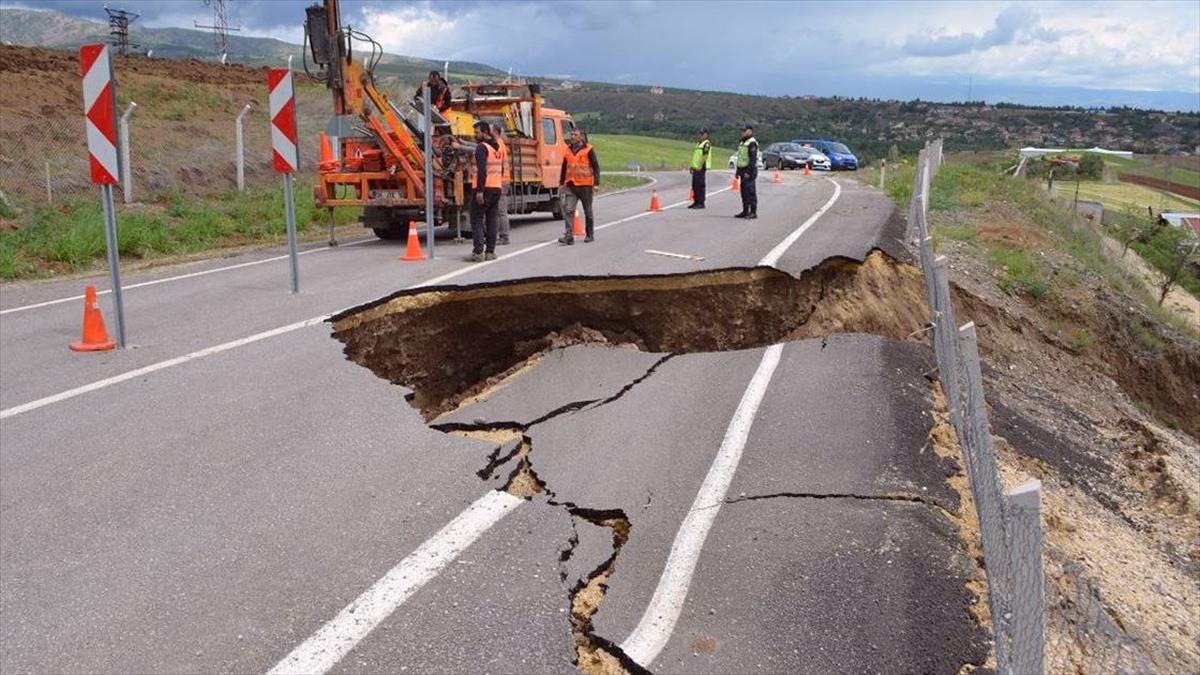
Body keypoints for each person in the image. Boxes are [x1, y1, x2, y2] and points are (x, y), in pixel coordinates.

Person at [558, 127, 600, 245]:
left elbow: (596, 167)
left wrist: (596, 183)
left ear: (581, 136)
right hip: (571, 185)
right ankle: (569, 236)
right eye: (571, 134)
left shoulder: (589, 149)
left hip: (585, 185)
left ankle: (589, 234)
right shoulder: (568, 150)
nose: (572, 137)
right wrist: (561, 183)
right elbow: (564, 167)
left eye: (575, 135)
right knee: (568, 210)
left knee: (588, 211)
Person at [468, 121, 502, 261]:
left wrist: (480, 191)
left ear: (485, 132)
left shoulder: (482, 148)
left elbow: (482, 171)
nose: (475, 135)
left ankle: (478, 251)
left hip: (484, 188)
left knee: (476, 218)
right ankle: (490, 251)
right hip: (496, 188)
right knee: (491, 219)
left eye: (477, 132)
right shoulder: (496, 147)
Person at [491, 123, 512, 245]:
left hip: (501, 180)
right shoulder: (500, 143)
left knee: (501, 211)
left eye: (491, 131)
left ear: (496, 132)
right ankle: (501, 235)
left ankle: (504, 236)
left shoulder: (498, 144)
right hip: (501, 180)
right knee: (499, 210)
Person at [734, 124, 758, 219]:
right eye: (742, 131)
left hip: (749, 170)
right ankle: (745, 211)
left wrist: (748, 172)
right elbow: (741, 158)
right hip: (742, 169)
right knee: (744, 192)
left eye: (744, 131)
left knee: (750, 191)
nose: (742, 132)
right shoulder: (743, 142)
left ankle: (753, 212)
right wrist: (738, 171)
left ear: (750, 131)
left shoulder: (752, 143)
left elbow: (752, 159)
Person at [689, 128, 712, 209]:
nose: (700, 135)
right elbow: (696, 156)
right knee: (695, 185)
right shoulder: (699, 143)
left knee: (700, 185)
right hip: (695, 167)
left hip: (701, 167)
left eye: (702, 134)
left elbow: (705, 156)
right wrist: (692, 166)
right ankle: (696, 202)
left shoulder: (706, 144)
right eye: (699, 134)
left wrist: (700, 165)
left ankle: (701, 203)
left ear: (706, 135)